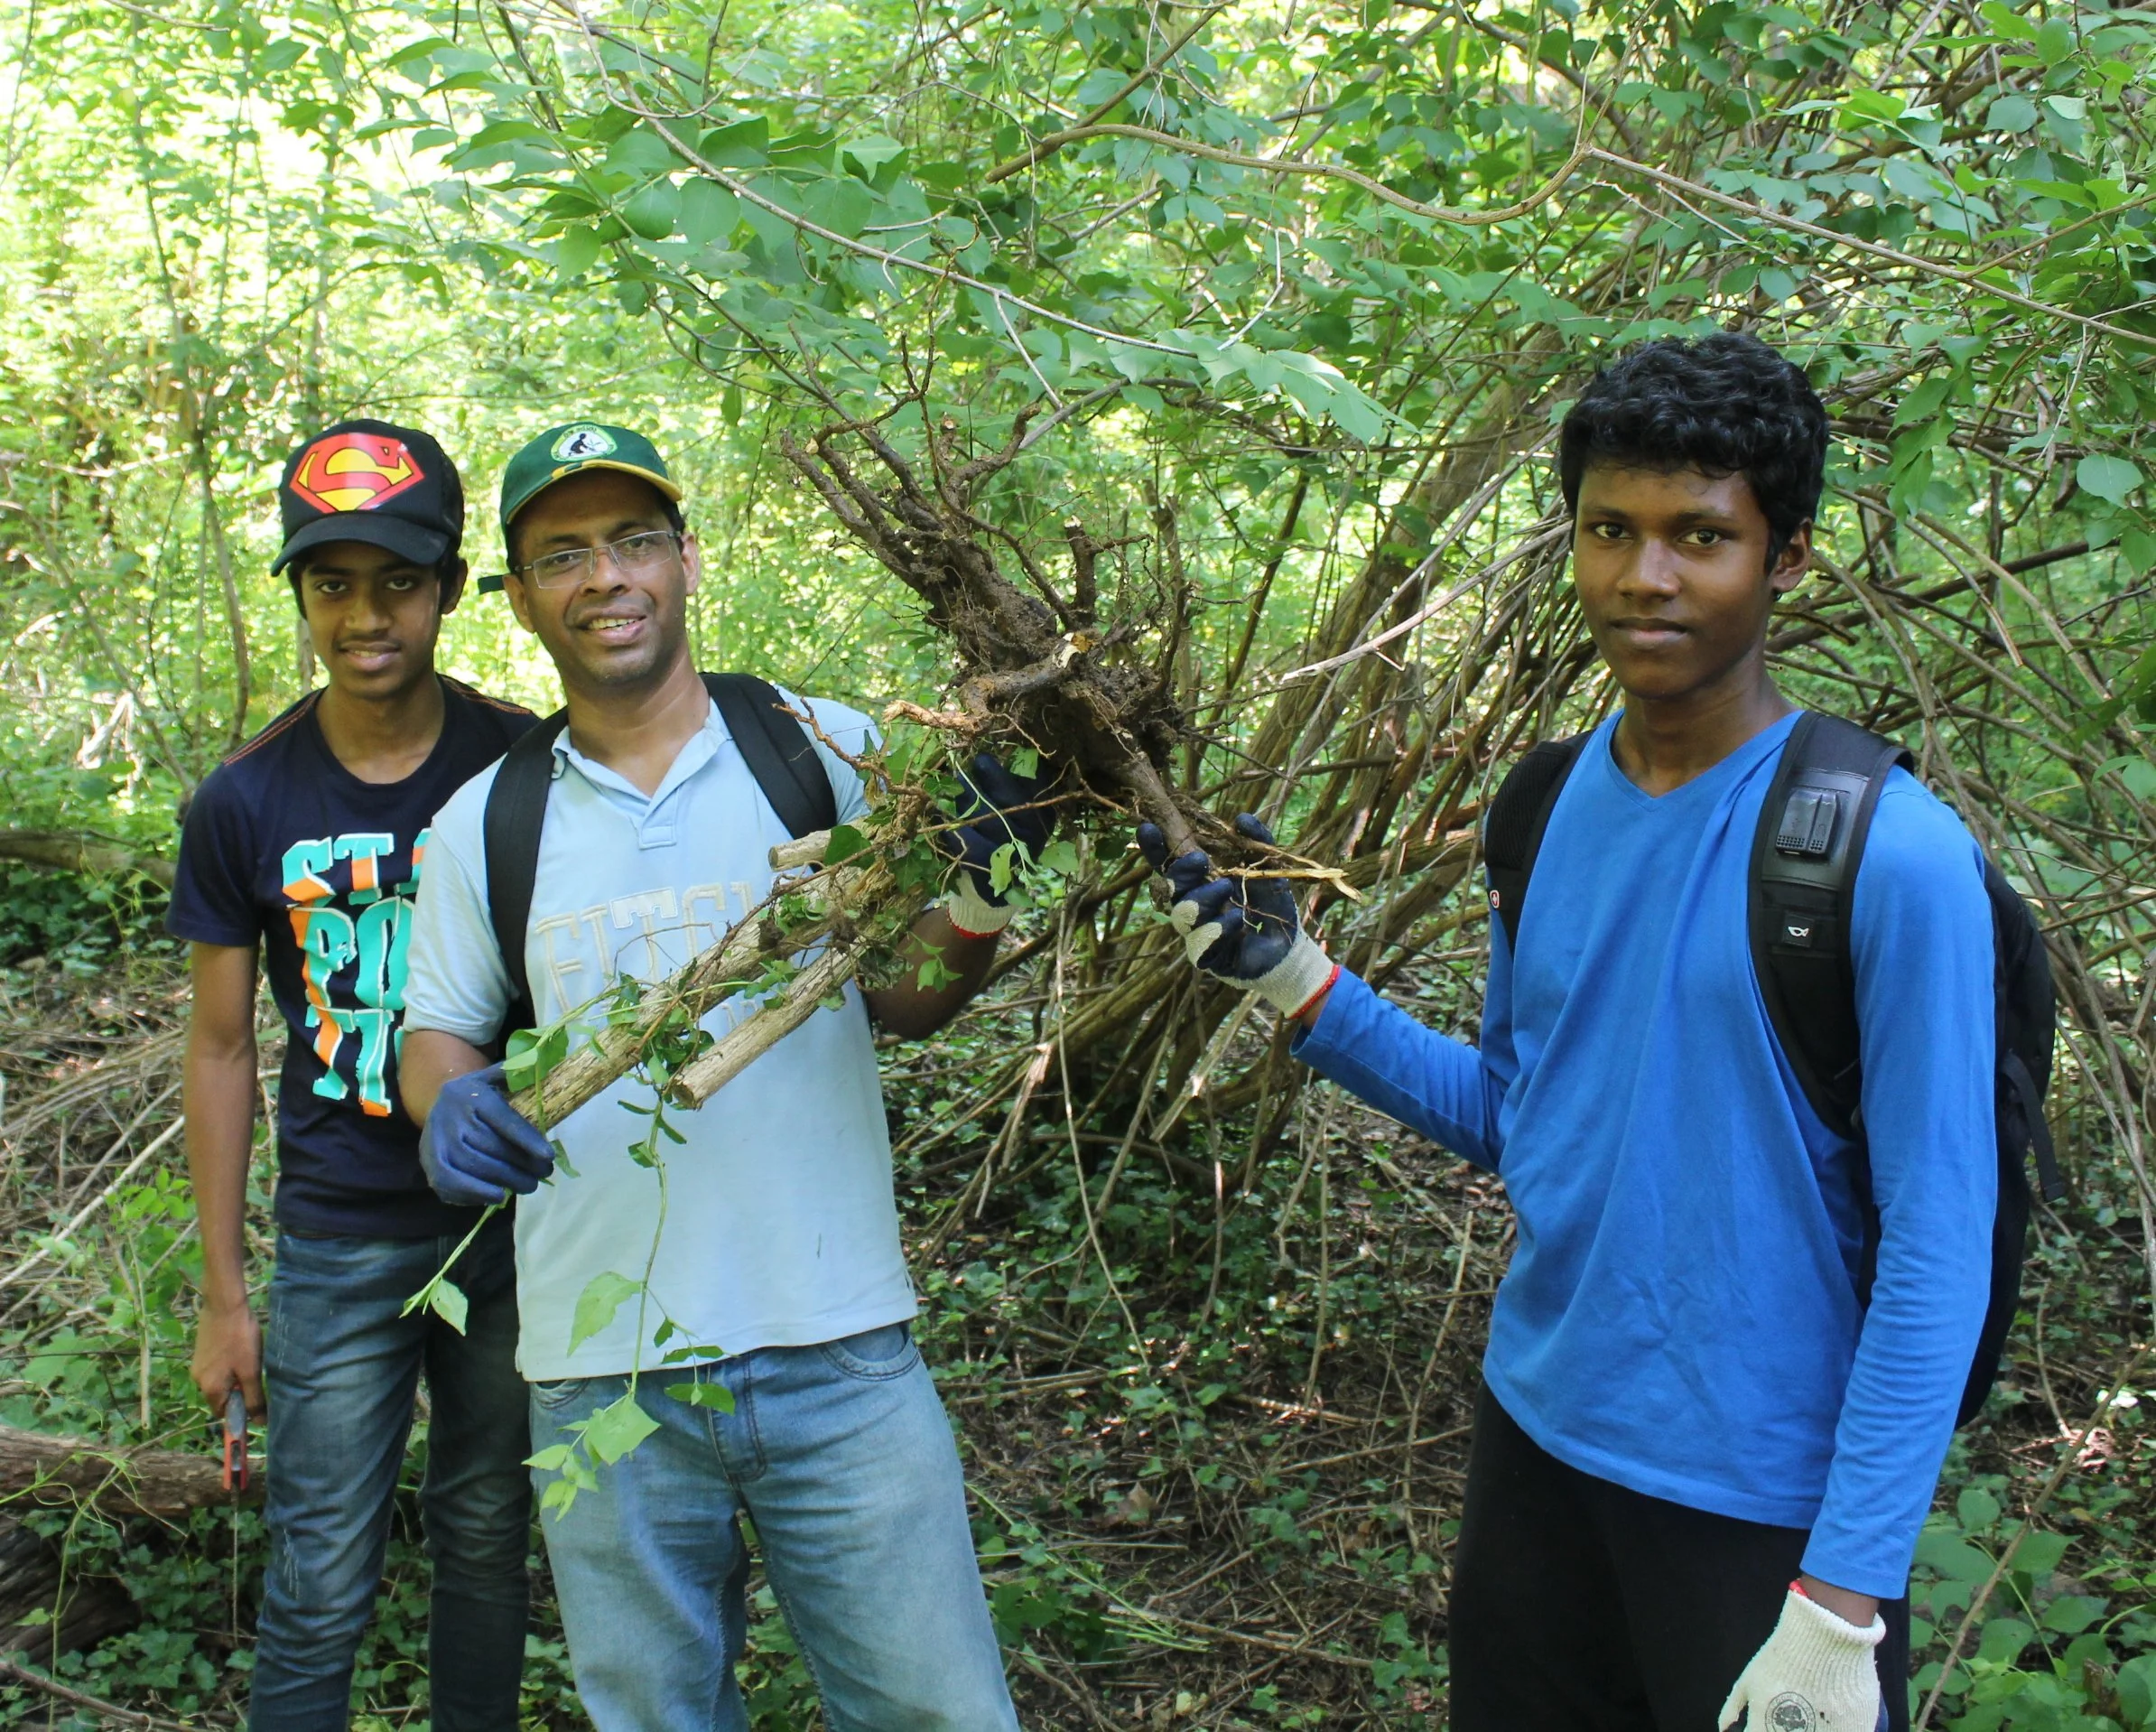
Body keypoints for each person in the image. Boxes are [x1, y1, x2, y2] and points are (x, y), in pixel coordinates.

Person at [1139, 333, 1996, 1732]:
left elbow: (1939, 1251)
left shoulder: (1890, 858)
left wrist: (1845, 1601)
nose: (1644, 577)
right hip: (1537, 1450)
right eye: (1611, 529)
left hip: (1764, 1515)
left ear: (1785, 559)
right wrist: (1296, 974)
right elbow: (1523, 1117)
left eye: (1699, 535)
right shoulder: (1541, 810)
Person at [396, 423, 1034, 1731]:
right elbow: (438, 1031)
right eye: (562, 554)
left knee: (941, 1713)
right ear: (521, 600)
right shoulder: (484, 821)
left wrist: (976, 891)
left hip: (840, 1347)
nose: (606, 576)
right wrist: (446, 1100)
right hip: (597, 1374)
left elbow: (910, 998)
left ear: (688, 560)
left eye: (634, 540)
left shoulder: (822, 743)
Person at [170, 420, 538, 1731]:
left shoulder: (522, 761)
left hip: (501, 1221)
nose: (365, 614)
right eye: (333, 582)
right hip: (337, 1233)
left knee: (491, 1534)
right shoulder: (246, 799)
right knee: (320, 1568)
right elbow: (220, 1049)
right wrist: (225, 1294)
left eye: (396, 580)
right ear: (302, 594)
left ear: (445, 586)